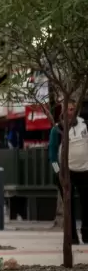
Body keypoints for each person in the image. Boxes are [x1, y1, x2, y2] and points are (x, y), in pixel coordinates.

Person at [49, 100, 88, 245]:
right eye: (68, 109)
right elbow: (52, 153)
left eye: (73, 109)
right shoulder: (57, 129)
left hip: (85, 170)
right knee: (69, 205)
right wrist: (58, 172)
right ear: (63, 112)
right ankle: (72, 236)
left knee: (86, 203)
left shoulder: (85, 124)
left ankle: (86, 233)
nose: (70, 112)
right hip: (67, 172)